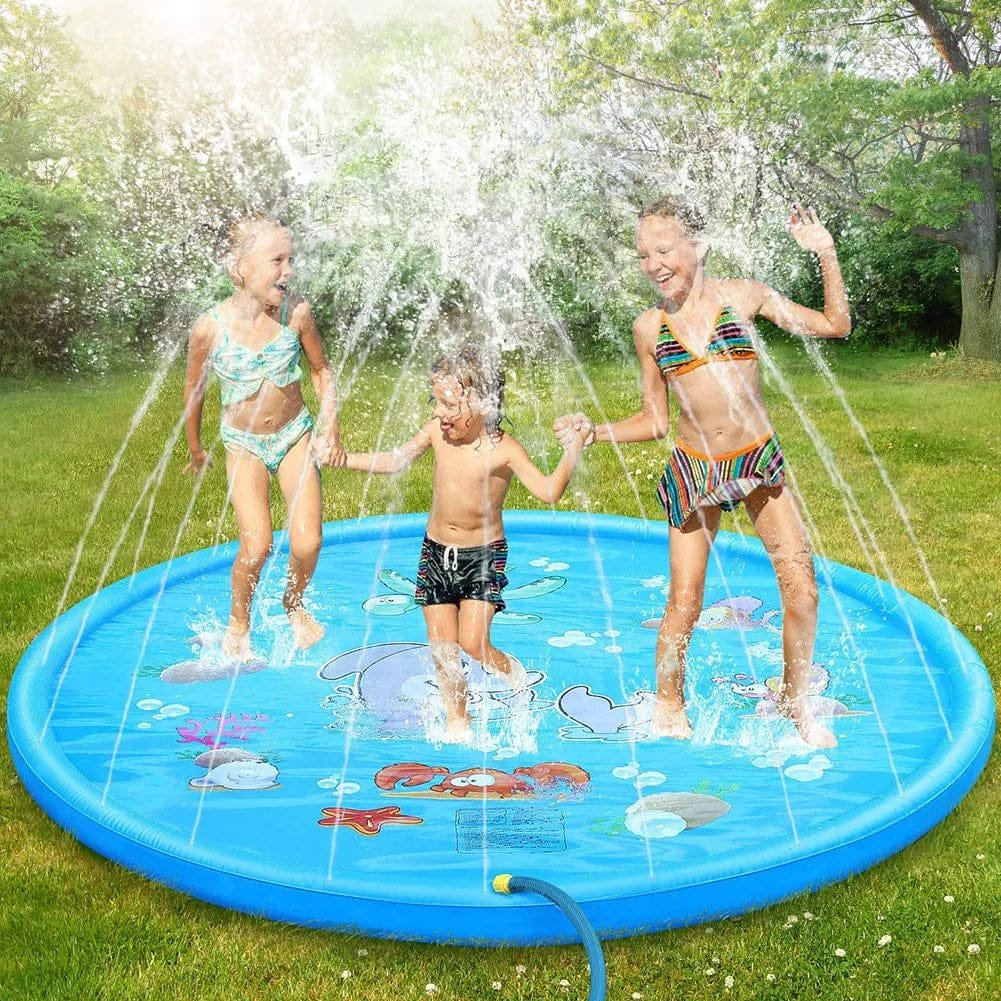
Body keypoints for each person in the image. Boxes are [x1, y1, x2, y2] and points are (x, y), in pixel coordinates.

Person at [557, 200, 850, 748]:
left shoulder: (744, 297)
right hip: (694, 470)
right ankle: (669, 703)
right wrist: (594, 431)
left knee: (802, 590)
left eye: (664, 250)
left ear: (700, 246)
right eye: (644, 254)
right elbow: (655, 421)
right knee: (685, 603)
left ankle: (794, 701)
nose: (653, 264)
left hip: (755, 461)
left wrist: (826, 255)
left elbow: (836, 326)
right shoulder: (650, 328)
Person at [343, 342, 592, 743]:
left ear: (482, 403)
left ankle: (514, 675)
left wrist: (573, 449)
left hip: (482, 555)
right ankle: (458, 721)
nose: (439, 413)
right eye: (435, 402)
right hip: (435, 551)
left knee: (473, 644)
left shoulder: (503, 450)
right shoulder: (437, 435)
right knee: (443, 648)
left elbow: (547, 492)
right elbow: (394, 460)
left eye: (447, 404)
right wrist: (342, 459)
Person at [183, 214, 343, 660]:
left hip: (294, 436)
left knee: (308, 541)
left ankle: (293, 603)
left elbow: (320, 370)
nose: (288, 270)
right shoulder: (210, 328)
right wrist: (196, 449)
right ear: (239, 268)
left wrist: (330, 427)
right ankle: (239, 621)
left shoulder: (297, 314)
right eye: (277, 260)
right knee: (257, 545)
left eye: (290, 259)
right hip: (243, 444)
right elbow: (193, 390)